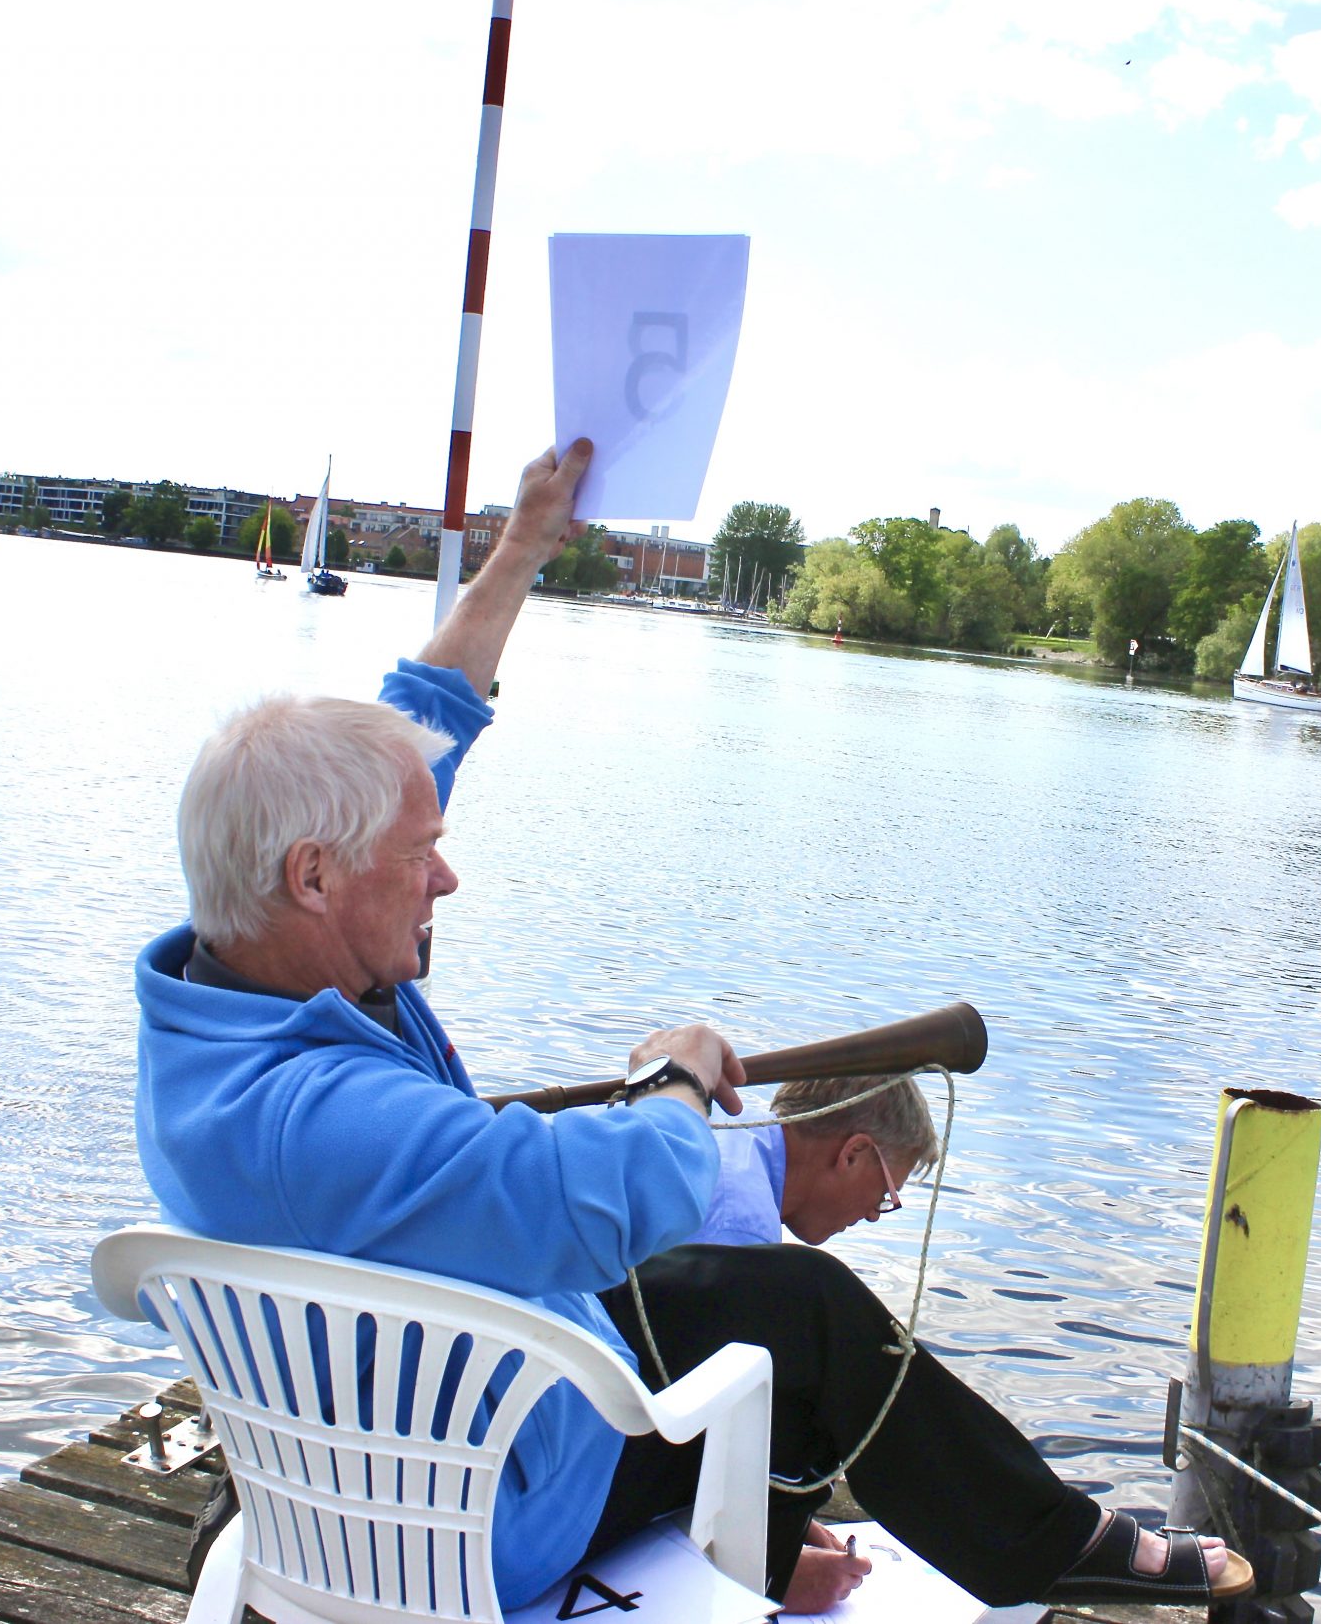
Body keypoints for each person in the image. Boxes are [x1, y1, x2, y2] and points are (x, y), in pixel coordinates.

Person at [134, 438, 1250, 1617]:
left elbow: (423, 721)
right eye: (422, 858)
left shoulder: (236, 979)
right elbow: (603, 1202)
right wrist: (671, 1078)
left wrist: (522, 546)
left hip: (363, 1432)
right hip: (467, 1501)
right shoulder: (310, 1118)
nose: (444, 881)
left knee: (749, 1300)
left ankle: (817, 1544)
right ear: (315, 877)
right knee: (796, 1324)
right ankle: (1033, 1545)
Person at [688, 1075, 936, 1248]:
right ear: (853, 1154)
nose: (874, 1215)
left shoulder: (713, 1111)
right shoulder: (740, 1230)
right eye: (885, 1193)